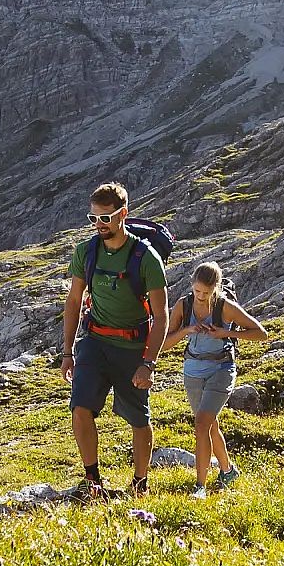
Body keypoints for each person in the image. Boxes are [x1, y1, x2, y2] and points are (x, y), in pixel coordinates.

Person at [59, 183, 166, 500]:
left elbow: (161, 316)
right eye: (93, 218)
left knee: (138, 418)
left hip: (133, 349)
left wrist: (148, 364)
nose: (99, 225)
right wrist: (68, 352)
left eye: (105, 218)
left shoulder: (146, 258)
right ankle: (92, 481)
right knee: (80, 407)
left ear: (123, 214)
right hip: (94, 342)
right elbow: (74, 300)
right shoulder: (86, 252)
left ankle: (140, 483)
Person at [160, 261, 268, 496]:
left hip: (221, 369)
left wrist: (225, 333)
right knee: (209, 424)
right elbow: (164, 344)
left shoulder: (225, 307)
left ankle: (200, 487)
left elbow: (261, 333)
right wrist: (186, 331)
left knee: (201, 424)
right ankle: (228, 471)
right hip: (192, 371)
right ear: (192, 285)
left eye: (206, 293)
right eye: (197, 291)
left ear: (216, 289)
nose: (200, 296)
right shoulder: (183, 305)